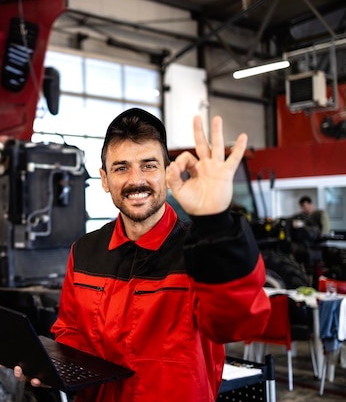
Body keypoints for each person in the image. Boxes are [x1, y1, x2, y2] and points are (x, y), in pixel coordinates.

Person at [14, 108, 271, 402]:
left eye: (148, 165)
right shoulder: (84, 251)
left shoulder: (203, 248)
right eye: (121, 167)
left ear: (166, 172)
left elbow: (238, 324)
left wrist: (217, 222)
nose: (136, 180)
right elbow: (71, 332)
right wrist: (52, 366)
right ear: (105, 179)